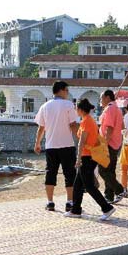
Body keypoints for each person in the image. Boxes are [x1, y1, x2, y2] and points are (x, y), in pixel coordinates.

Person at [64, 99, 115, 221]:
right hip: (88, 156)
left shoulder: (87, 121)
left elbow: (82, 141)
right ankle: (76, 209)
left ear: (80, 109)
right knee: (78, 184)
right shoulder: (87, 121)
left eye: (76, 108)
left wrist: (78, 158)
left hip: (88, 157)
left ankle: (106, 208)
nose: (75, 110)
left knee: (89, 186)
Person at [34, 81, 77, 212]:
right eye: (67, 90)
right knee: (69, 174)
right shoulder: (69, 105)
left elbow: (41, 128)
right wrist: (81, 139)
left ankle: (50, 202)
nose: (67, 93)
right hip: (67, 144)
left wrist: (37, 143)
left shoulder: (45, 106)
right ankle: (69, 202)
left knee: (50, 173)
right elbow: (73, 125)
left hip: (51, 145)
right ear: (62, 90)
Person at [98, 89, 125, 204]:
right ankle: (109, 195)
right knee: (110, 170)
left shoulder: (109, 109)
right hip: (116, 143)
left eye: (102, 98)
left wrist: (104, 143)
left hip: (109, 143)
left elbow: (109, 128)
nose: (101, 100)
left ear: (107, 97)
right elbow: (122, 126)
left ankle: (119, 190)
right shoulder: (117, 109)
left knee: (103, 170)